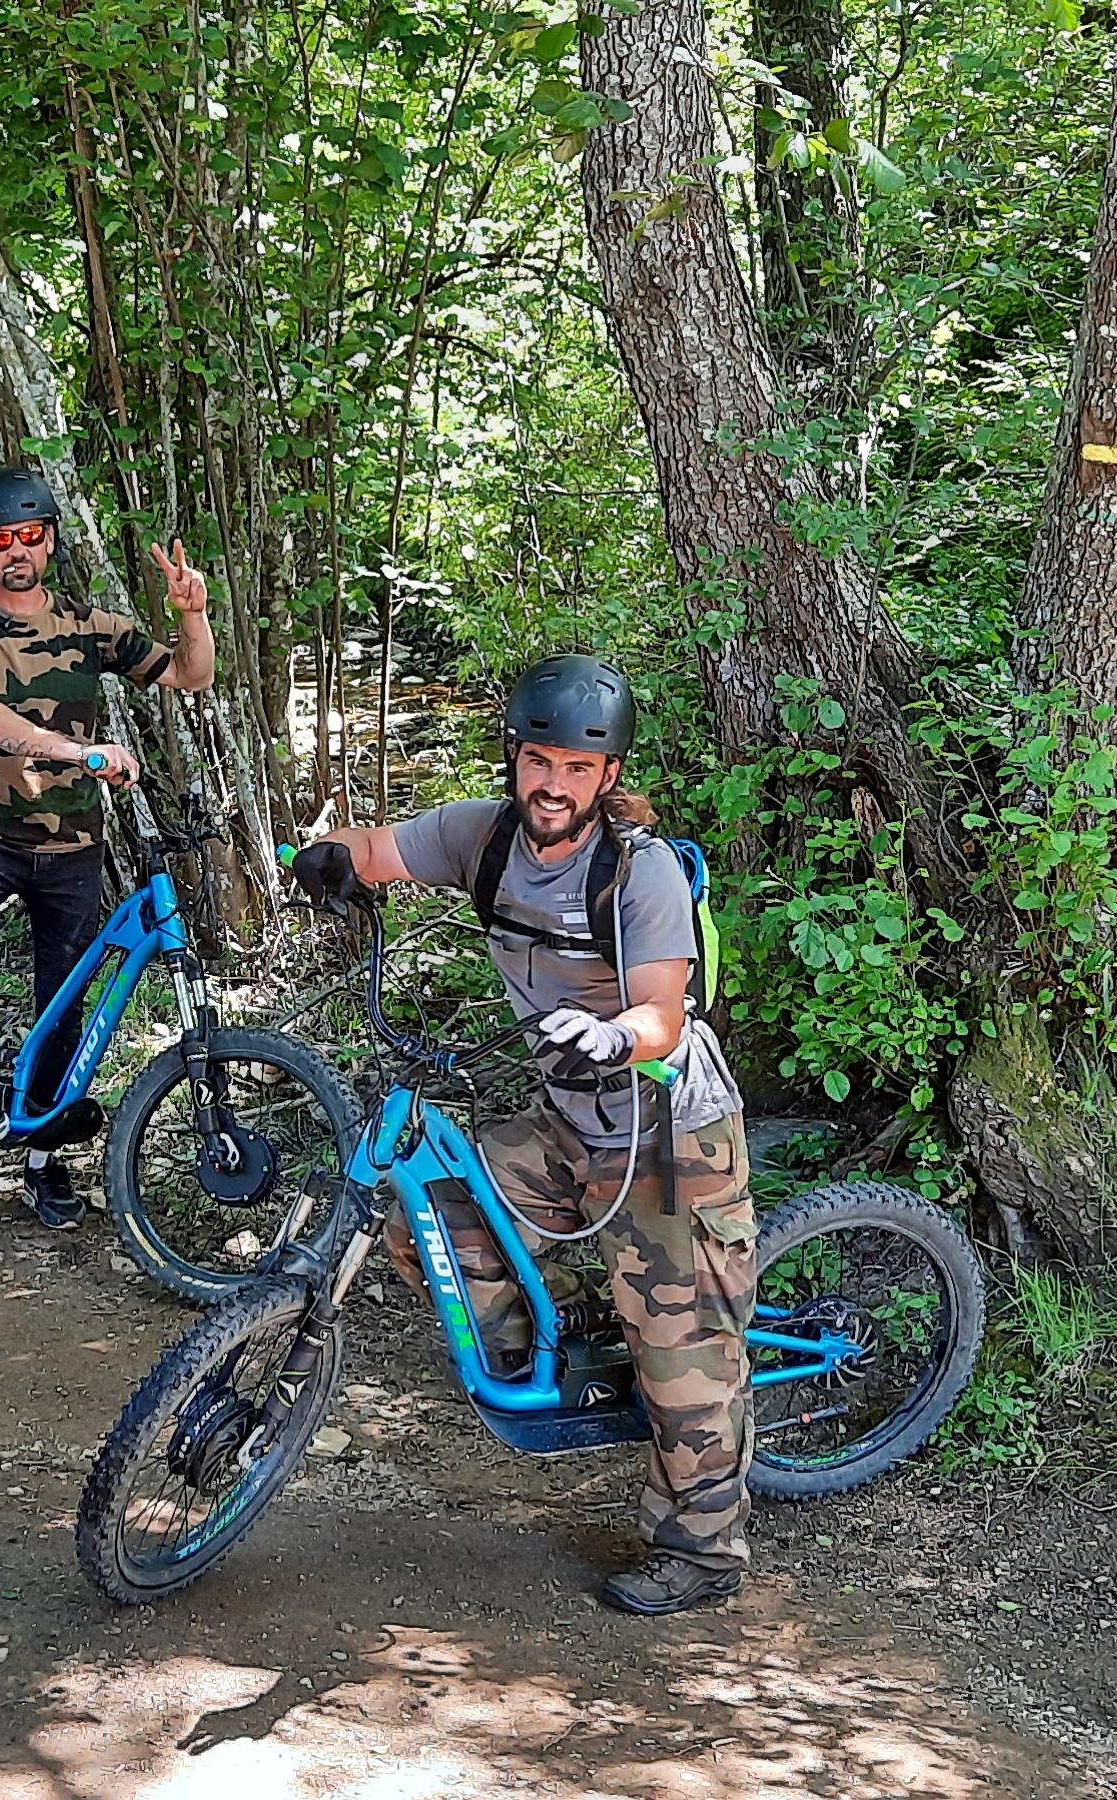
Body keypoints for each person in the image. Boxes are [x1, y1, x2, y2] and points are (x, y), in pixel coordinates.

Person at [285, 655, 757, 1616]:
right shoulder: (484, 836)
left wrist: (617, 1035)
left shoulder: (640, 871)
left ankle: (705, 1552)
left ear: (608, 776)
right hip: (566, 1121)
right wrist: (329, 857)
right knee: (430, 1218)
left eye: (577, 769)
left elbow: (664, 1011)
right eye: (539, 761)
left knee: (685, 1362)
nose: (553, 784)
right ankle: (581, 1336)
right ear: (514, 758)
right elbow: (377, 849)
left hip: (667, 1136)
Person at [0, 467, 216, 1220]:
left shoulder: (90, 625)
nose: (17, 550)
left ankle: (42, 1160)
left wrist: (194, 614)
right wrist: (81, 752)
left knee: (64, 1006)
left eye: (30, 534)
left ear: (50, 540)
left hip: (74, 846)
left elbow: (191, 674)